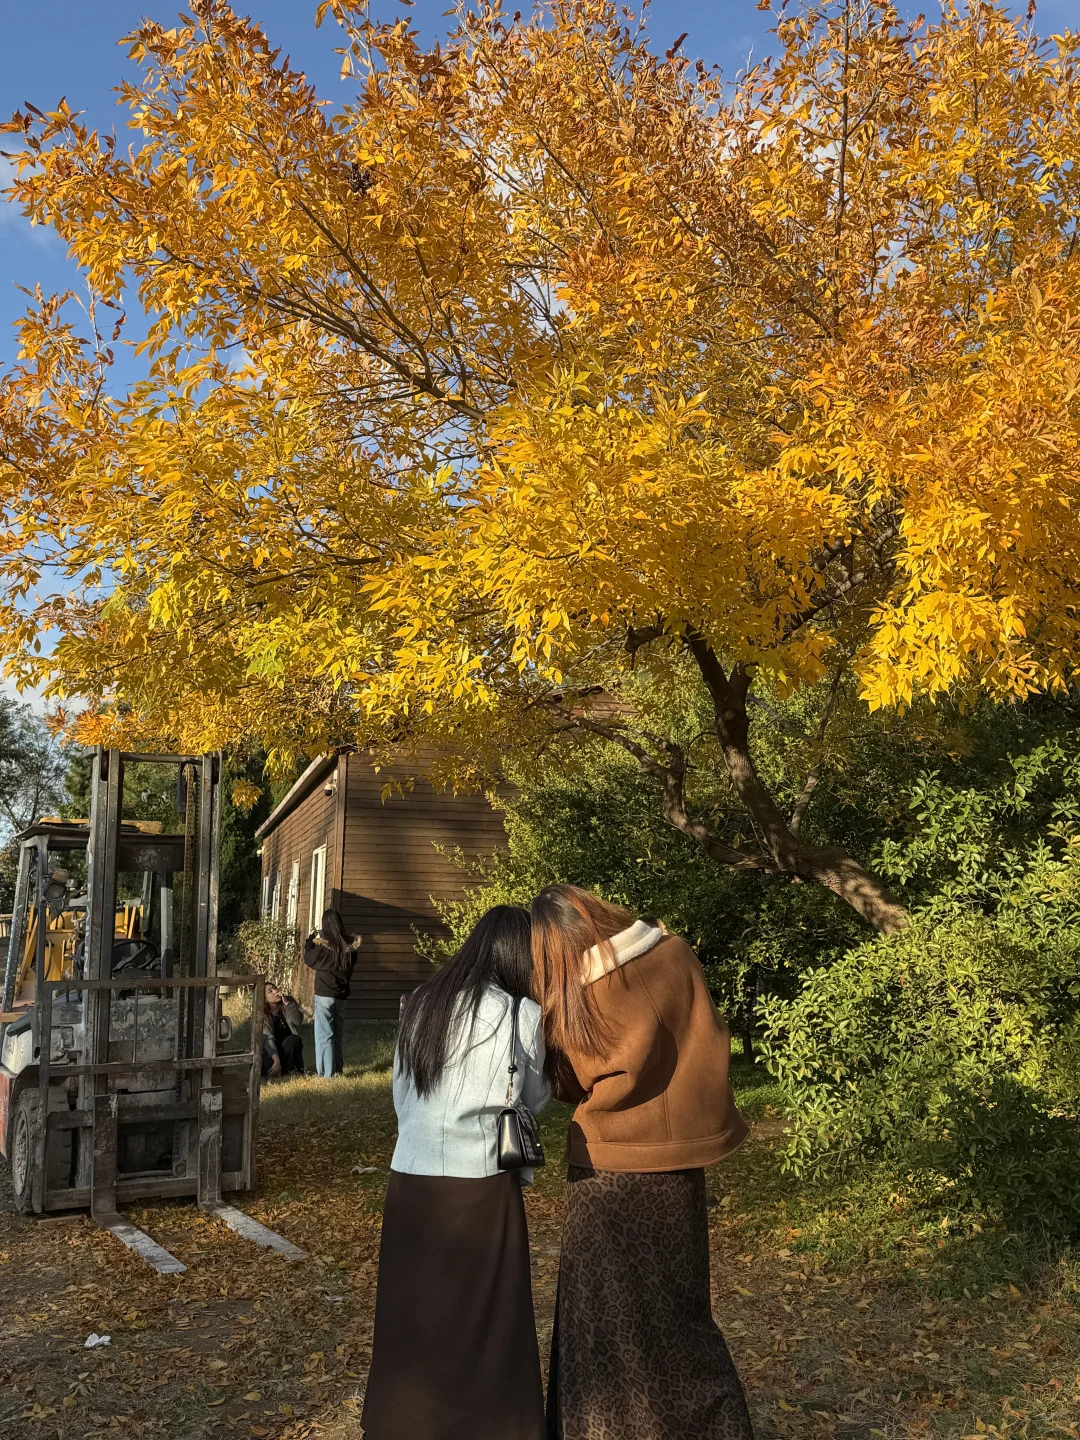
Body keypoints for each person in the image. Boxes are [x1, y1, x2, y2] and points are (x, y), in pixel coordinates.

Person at [531, 884, 754, 1440]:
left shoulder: (578, 992)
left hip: (606, 1169)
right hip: (678, 1169)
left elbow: (561, 1080)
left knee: (600, 1325)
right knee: (681, 1314)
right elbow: (712, 1040)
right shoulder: (676, 954)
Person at [361, 906, 550, 1440]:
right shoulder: (522, 1013)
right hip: (483, 1184)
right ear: (518, 955)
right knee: (489, 1320)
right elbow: (533, 1099)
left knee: (412, 1314)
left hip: (412, 1178)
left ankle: (402, 1424)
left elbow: (402, 1094)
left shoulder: (422, 1003)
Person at [304, 907, 361, 1077]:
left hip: (324, 995)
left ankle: (327, 1074)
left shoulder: (323, 950)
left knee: (324, 1035)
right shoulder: (351, 950)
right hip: (341, 996)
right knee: (336, 1034)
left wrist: (310, 941)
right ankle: (337, 1069)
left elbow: (308, 958)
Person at [261, 983, 305, 1080]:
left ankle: (292, 1070)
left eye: (275, 988)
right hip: (272, 1051)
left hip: (287, 1049)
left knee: (294, 1040)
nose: (275, 991)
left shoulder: (288, 1003)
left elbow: (298, 1021)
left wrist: (287, 1004)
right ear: (264, 999)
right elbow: (268, 1038)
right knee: (270, 1070)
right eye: (270, 991)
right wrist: (276, 1060)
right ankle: (279, 1071)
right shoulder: (262, 1015)